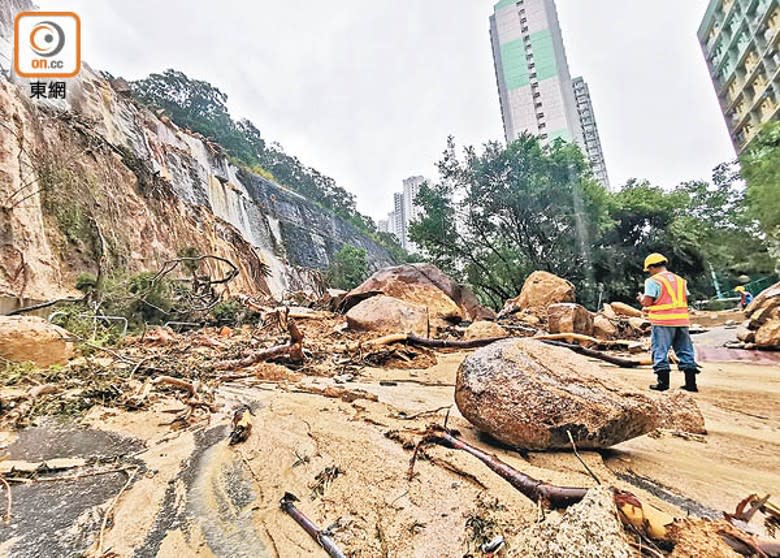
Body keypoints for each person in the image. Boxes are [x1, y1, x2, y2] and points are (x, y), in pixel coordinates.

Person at [636, 253, 700, 392]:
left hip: (662, 321)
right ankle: (691, 384)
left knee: (660, 350)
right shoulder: (680, 280)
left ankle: (663, 383)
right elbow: (682, 298)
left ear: (652, 267)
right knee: (685, 350)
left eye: (649, 270)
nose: (650, 272)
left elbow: (648, 302)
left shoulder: (653, 281)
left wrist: (641, 299)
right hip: (682, 320)